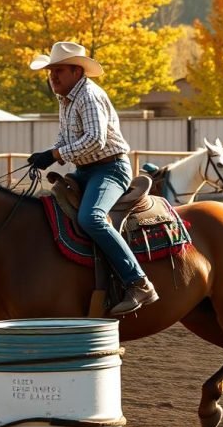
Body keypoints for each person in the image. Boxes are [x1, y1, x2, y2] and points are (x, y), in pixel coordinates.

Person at [26, 41, 159, 316]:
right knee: (48, 210)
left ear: (77, 71)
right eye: (50, 71)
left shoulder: (88, 95)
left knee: (91, 218)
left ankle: (139, 282)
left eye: (59, 70)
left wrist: (54, 154)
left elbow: (95, 140)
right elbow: (66, 138)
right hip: (87, 171)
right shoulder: (66, 98)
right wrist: (51, 152)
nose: (53, 76)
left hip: (111, 169)